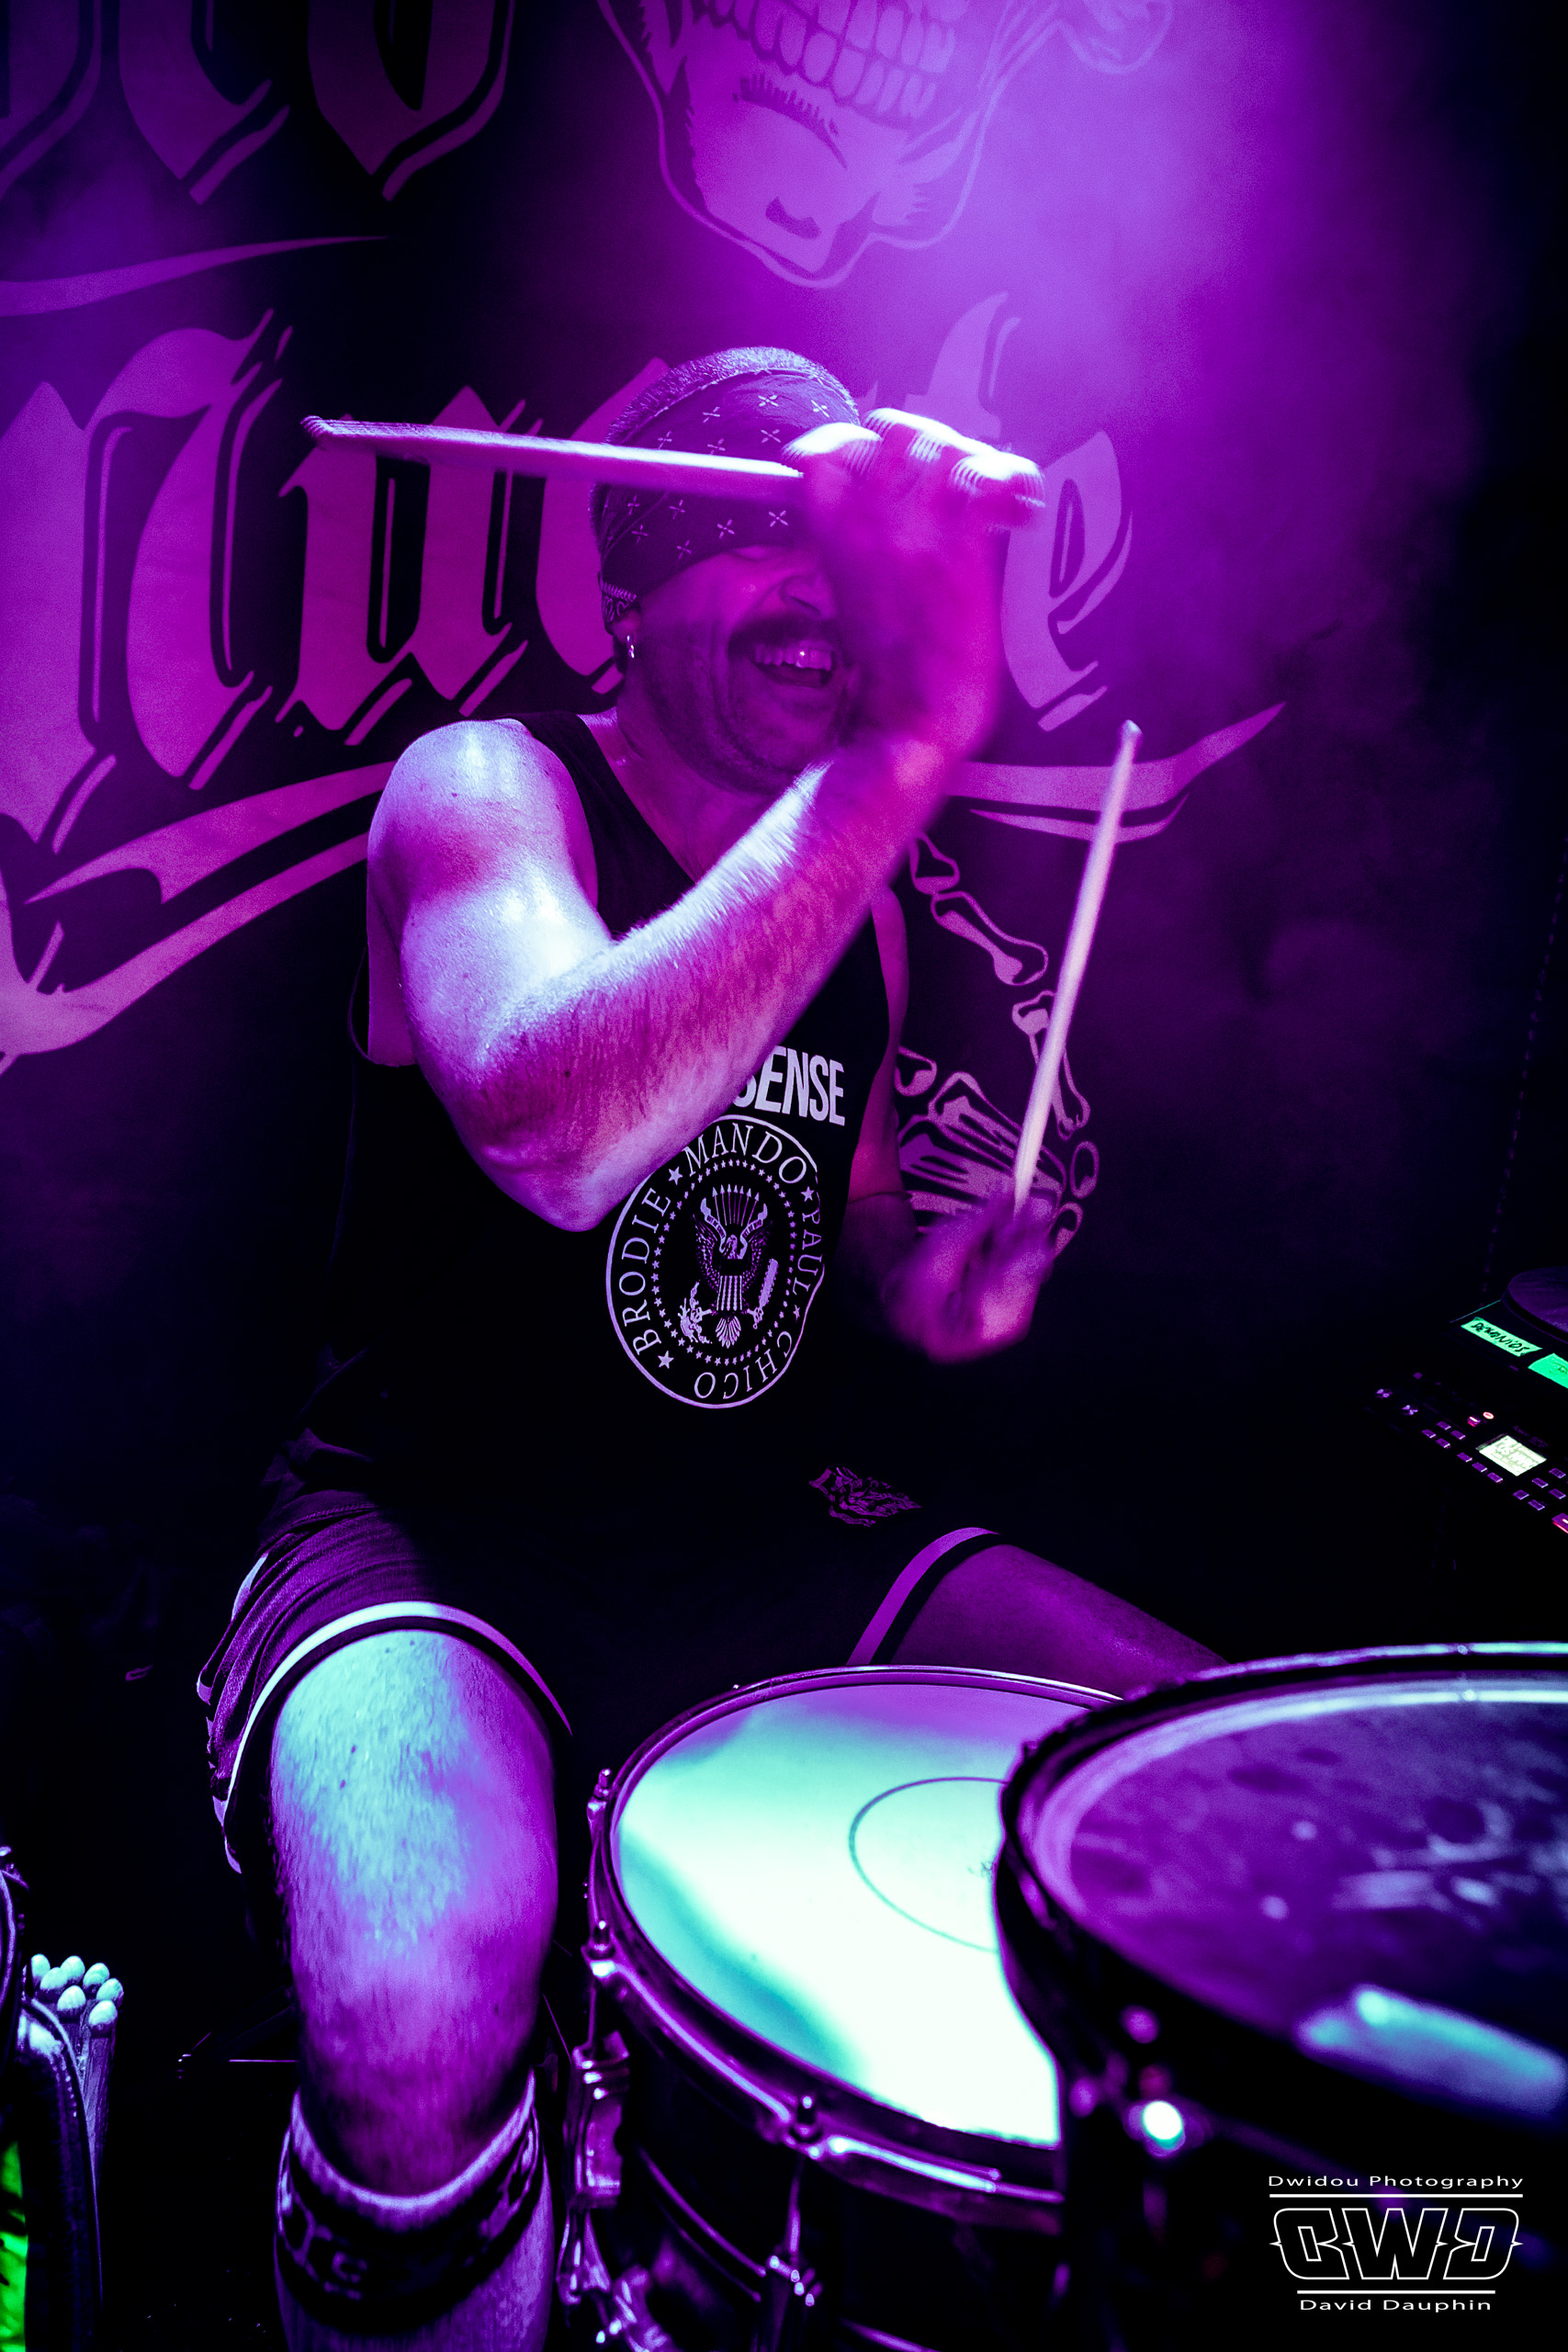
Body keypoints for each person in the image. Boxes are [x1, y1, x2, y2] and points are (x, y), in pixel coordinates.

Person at [199, 348, 1218, 2352]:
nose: (821, 593)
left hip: (749, 1520)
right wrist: (900, 752)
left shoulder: (860, 908)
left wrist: (921, 1286)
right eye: (763, 538)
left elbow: (825, 1222)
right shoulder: (487, 790)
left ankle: (1374, 2273)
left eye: (846, 553)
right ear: (632, 581)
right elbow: (555, 1134)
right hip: (439, 1519)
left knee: (1195, 1766)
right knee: (412, 2004)